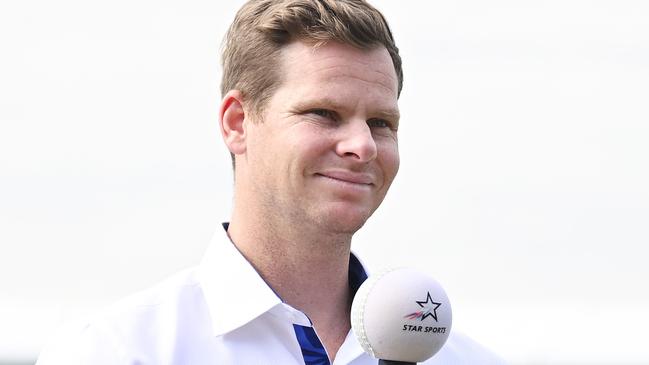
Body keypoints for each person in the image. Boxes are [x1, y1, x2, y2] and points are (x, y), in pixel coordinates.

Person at [37, 1, 505, 364]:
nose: (362, 145)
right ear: (238, 123)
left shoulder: (466, 359)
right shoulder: (118, 352)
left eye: (381, 122)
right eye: (324, 113)